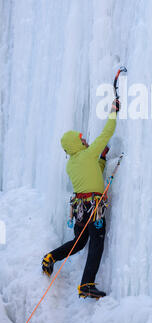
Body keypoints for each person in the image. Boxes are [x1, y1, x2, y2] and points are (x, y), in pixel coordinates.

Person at [42, 98, 120, 299]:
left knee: (79, 242)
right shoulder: (86, 155)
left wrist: (101, 159)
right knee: (97, 241)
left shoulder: (73, 164)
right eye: (82, 139)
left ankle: (51, 256)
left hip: (80, 208)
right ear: (76, 144)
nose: (85, 141)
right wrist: (113, 111)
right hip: (93, 208)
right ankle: (86, 284)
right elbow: (107, 133)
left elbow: (94, 173)